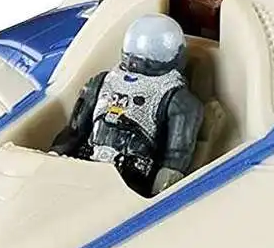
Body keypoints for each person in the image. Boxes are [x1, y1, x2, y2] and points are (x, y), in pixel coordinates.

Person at [51, 13, 204, 195]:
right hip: (81, 170)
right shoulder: (101, 82)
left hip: (128, 185)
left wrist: (158, 196)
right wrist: (52, 159)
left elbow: (175, 159)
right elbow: (74, 132)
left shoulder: (177, 99)